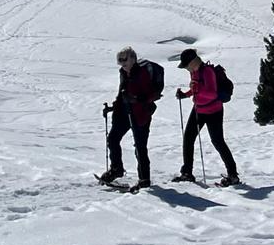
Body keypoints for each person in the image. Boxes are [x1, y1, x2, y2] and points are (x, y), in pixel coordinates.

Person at [173, 47, 240, 187]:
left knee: (217, 141)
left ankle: (233, 175)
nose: (186, 68)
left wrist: (197, 89)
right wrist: (186, 94)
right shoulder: (194, 72)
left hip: (214, 111)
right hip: (199, 109)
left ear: (193, 62)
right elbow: (196, 89)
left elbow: (212, 94)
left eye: (186, 65)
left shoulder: (207, 72)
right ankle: (187, 172)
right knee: (188, 138)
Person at [97, 46, 159, 191]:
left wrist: (135, 99)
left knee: (140, 146)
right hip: (124, 112)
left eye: (124, 59)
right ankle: (116, 169)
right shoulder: (123, 73)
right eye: (119, 60)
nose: (121, 63)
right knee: (113, 139)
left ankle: (144, 179)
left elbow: (151, 95)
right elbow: (121, 94)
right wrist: (113, 107)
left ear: (133, 59)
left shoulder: (142, 73)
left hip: (141, 114)